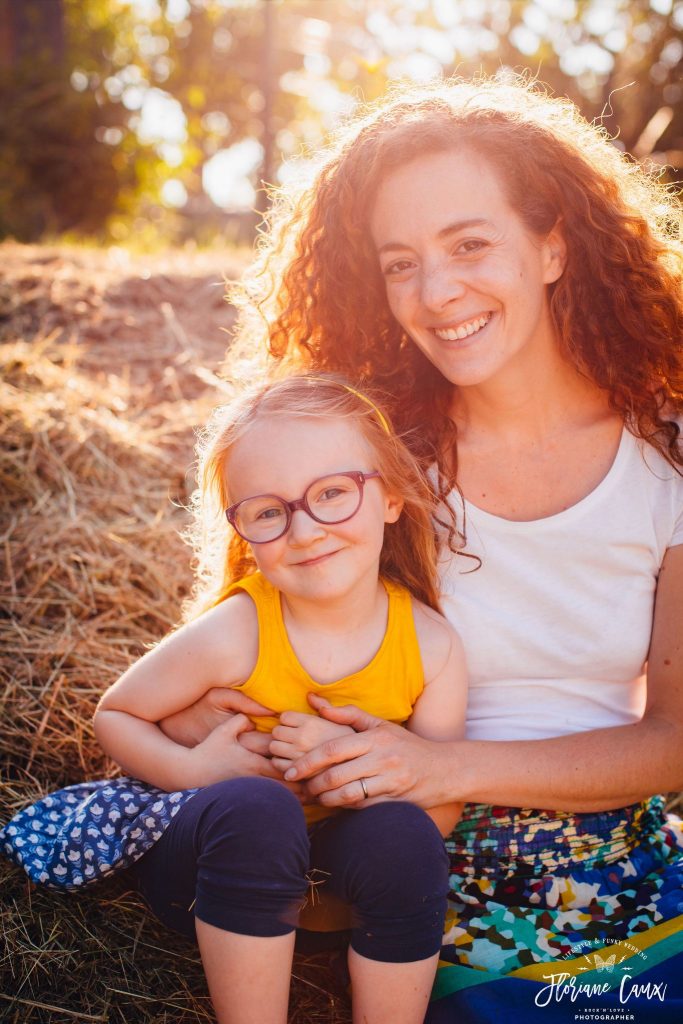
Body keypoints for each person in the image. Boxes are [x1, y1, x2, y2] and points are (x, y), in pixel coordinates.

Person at [172, 77, 683, 1020]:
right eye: (399, 263)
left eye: (469, 244)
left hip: (612, 858)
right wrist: (302, 754)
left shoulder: (669, 459)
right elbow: (240, 664)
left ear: (553, 246)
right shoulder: (363, 467)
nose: (436, 293)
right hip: (400, 858)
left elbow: (675, 740)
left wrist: (448, 766)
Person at [2, 374, 468, 1024]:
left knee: (405, 834)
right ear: (241, 528)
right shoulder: (238, 629)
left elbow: (440, 801)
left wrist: (351, 773)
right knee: (257, 807)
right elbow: (117, 713)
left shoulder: (432, 645)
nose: (304, 530)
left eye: (332, 493)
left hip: (334, 893)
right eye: (269, 511)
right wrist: (195, 772)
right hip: (210, 880)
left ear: (390, 496)